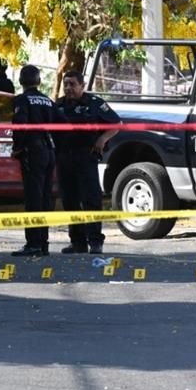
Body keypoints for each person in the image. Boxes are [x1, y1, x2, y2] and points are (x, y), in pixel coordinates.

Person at [55, 70, 121, 254]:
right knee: (70, 201)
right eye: (65, 84)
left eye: (72, 84)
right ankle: (77, 242)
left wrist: (102, 139)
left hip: (86, 158)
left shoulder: (94, 103)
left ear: (82, 86)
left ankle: (95, 242)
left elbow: (116, 124)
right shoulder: (59, 105)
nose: (68, 88)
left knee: (91, 200)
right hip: (64, 159)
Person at [10, 65, 58, 257]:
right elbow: (59, 122)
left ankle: (33, 243)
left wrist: (18, 148)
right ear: (38, 81)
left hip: (33, 151)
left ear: (21, 82)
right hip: (49, 150)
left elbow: (19, 125)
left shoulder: (21, 100)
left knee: (33, 197)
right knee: (45, 197)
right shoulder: (48, 100)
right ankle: (43, 242)